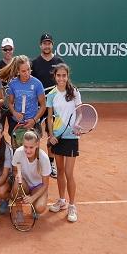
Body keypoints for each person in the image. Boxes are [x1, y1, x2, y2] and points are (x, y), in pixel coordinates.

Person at [46, 63, 81, 222]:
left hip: (71, 138)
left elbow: (80, 113)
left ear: (67, 76)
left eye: (64, 75)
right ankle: (62, 201)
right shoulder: (52, 94)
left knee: (68, 173)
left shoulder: (74, 92)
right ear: (55, 76)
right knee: (59, 172)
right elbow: (49, 117)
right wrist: (51, 135)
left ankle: (72, 205)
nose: (61, 78)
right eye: (58, 75)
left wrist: (78, 125)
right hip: (57, 137)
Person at [31, 32, 64, 178]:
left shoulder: (59, 62)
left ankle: (50, 164)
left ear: (52, 44)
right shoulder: (35, 63)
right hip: (39, 106)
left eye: (49, 43)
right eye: (44, 43)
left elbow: (63, 83)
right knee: (35, 135)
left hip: (54, 106)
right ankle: (35, 163)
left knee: (52, 134)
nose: (46, 45)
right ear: (40, 45)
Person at [0, 55, 46, 143]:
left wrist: (33, 120)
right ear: (18, 71)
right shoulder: (12, 84)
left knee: (33, 152)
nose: (27, 73)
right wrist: (15, 113)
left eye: (28, 69)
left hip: (33, 124)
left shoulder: (37, 84)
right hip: (17, 124)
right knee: (17, 153)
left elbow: (43, 106)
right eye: (23, 71)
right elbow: (10, 103)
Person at [11, 130, 51, 216]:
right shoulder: (18, 152)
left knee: (39, 208)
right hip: (24, 184)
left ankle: (37, 202)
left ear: (37, 144)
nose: (28, 151)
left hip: (38, 187)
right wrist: (17, 175)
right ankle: (19, 210)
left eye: (31, 147)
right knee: (17, 183)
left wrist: (33, 198)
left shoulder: (44, 158)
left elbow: (45, 185)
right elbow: (14, 170)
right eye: (25, 147)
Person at [0, 37, 15, 129]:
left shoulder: (17, 65)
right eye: (5, 49)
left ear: (13, 49)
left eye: (9, 49)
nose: (7, 51)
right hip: (1, 105)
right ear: (2, 50)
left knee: (14, 131)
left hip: (14, 104)